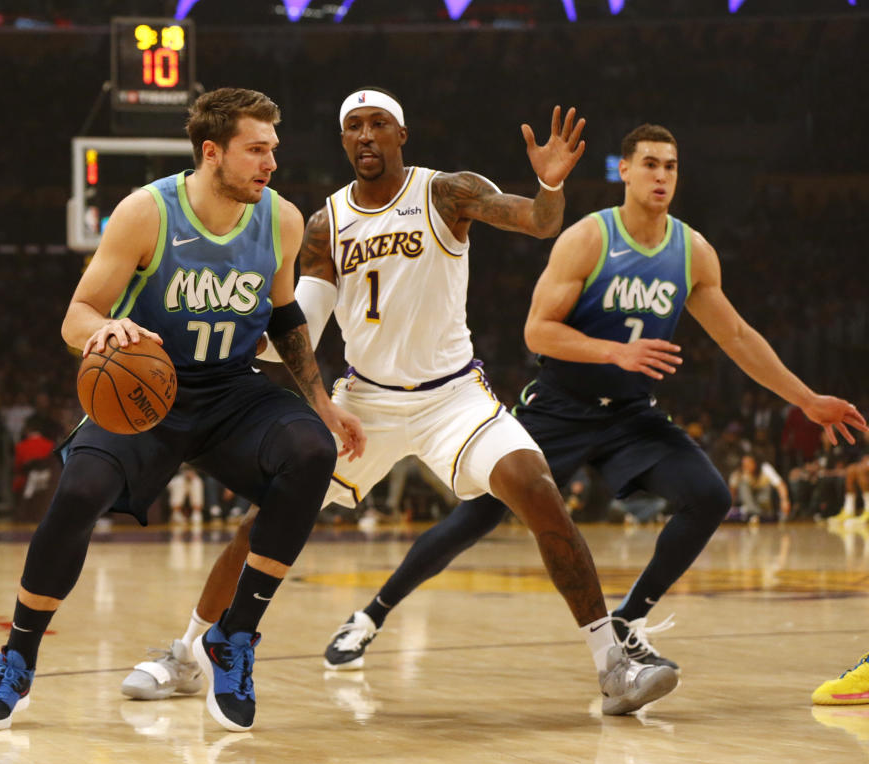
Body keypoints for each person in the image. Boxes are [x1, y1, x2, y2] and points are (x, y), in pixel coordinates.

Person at [122, 87, 680, 718]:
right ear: (343, 141)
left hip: (453, 398)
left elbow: (536, 222)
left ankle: (613, 667)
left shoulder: (447, 192)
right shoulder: (325, 223)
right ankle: (188, 654)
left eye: (378, 124)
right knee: (267, 518)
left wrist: (549, 187)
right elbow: (302, 325)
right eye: (354, 126)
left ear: (400, 134)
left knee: (536, 485)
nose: (366, 135)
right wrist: (237, 315)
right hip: (365, 405)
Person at [305, 122, 866, 671]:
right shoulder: (590, 238)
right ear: (624, 171)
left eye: (670, 167)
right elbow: (537, 332)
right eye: (649, 164)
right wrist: (614, 352)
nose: (661, 177)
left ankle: (628, 620)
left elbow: (738, 337)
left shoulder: (692, 251)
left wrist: (807, 399)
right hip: (559, 406)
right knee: (475, 519)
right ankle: (371, 615)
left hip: (630, 415)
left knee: (711, 497)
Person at [0, 87, 365, 733]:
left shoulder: (283, 219)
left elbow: (285, 316)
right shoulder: (146, 212)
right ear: (212, 152)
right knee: (77, 494)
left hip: (232, 389)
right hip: (149, 390)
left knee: (313, 453)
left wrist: (320, 400)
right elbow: (77, 313)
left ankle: (233, 637)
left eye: (273, 149)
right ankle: (17, 658)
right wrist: (100, 332)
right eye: (256, 150)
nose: (270, 163)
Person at [728, 452, 790, 522]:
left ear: (755, 463)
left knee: (767, 486)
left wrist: (784, 500)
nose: (746, 466)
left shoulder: (765, 468)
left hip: (764, 504)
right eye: (744, 464)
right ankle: (753, 513)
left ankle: (762, 514)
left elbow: (780, 485)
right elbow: (732, 493)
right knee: (743, 485)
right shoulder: (738, 474)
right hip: (748, 506)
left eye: (749, 463)